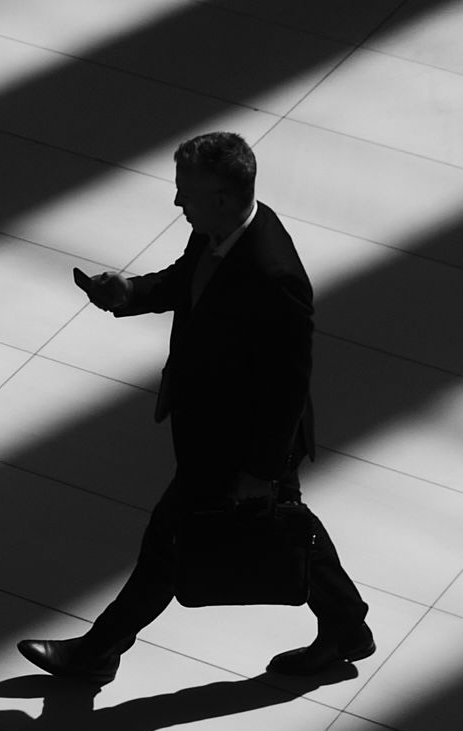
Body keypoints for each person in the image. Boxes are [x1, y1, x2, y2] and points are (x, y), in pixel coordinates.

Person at [18, 132, 372, 683]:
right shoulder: (222, 232)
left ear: (225, 198)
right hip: (220, 432)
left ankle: (96, 653)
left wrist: (259, 469)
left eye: (187, 191)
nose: (178, 202)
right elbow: (190, 282)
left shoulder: (272, 273)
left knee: (170, 542)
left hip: (242, 443)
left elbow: (287, 383)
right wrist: (130, 294)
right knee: (287, 528)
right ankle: (348, 626)